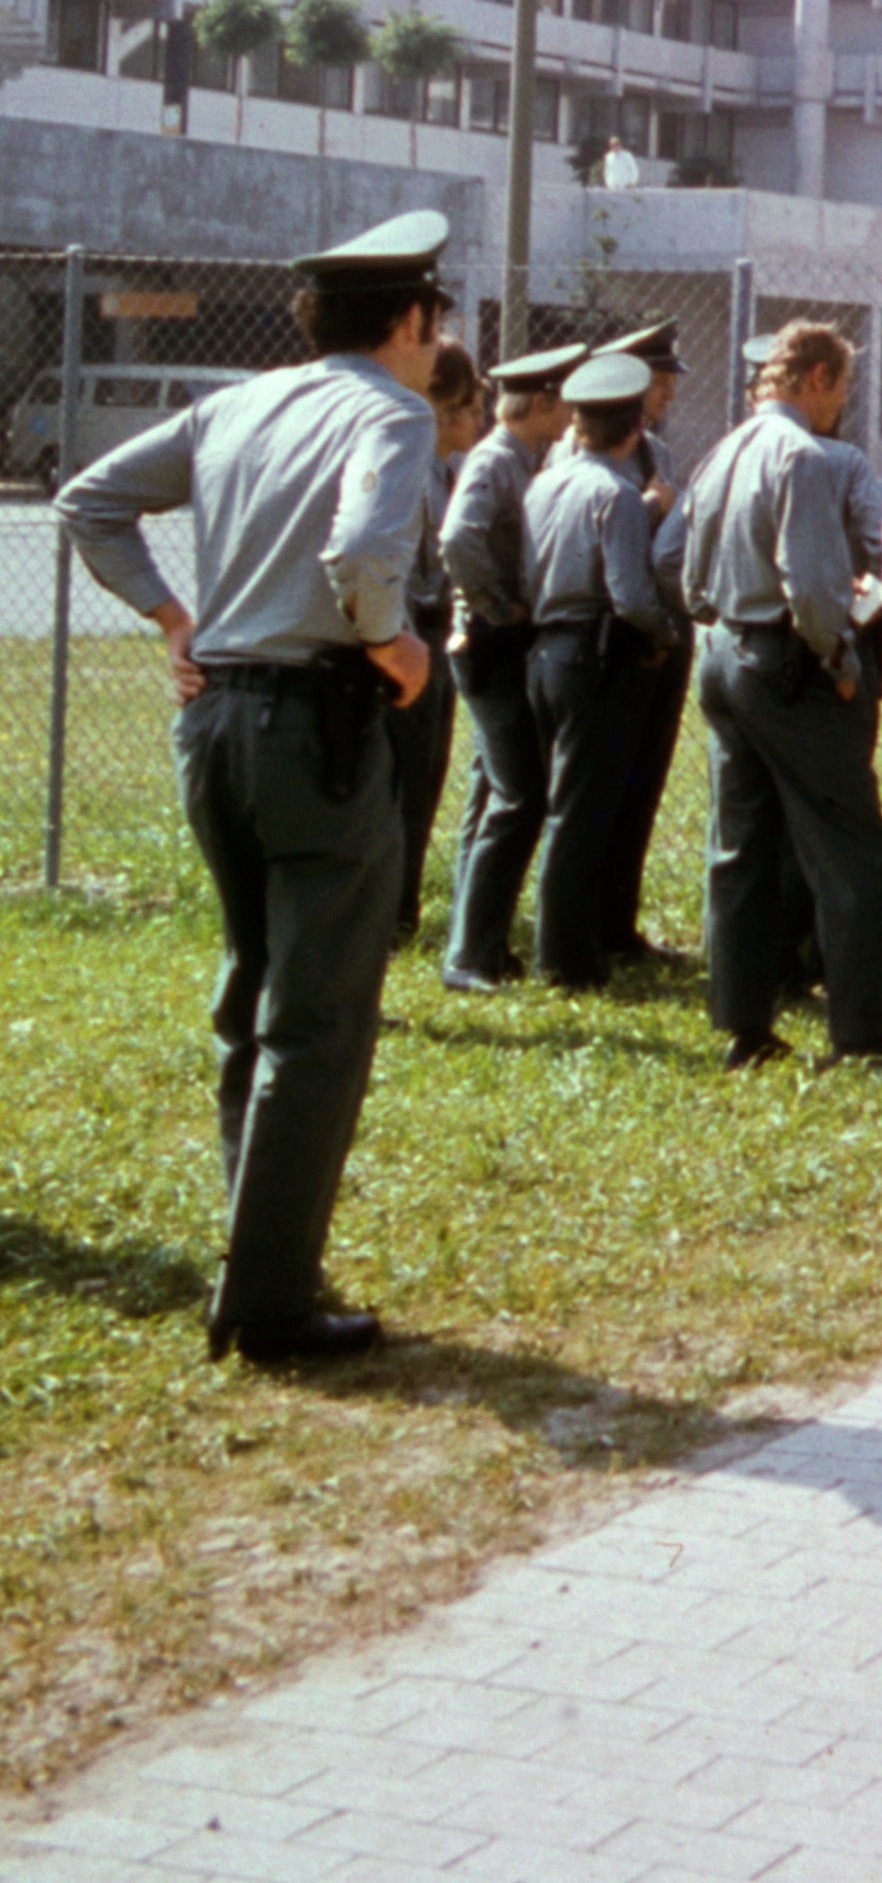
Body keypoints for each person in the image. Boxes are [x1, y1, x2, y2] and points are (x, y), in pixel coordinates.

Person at [57, 210, 447, 1362]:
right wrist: (400, 647)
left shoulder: (235, 404)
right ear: (411, 319)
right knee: (320, 1021)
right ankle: (271, 1300)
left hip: (217, 720)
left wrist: (177, 618)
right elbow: (363, 557)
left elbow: (89, 499)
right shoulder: (392, 411)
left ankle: (261, 1259)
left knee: (253, 1002)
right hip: (316, 725)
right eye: (434, 323)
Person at [680, 320, 882, 1074]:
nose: (843, 404)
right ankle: (860, 1032)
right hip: (784, 661)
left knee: (740, 846)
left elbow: (683, 570)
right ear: (816, 378)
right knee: (851, 847)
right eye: (845, 385)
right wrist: (838, 656)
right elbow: (816, 586)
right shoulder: (803, 457)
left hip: (723, 649)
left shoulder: (723, 451)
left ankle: (743, 1025)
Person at [522, 350, 677, 990]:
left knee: (566, 803)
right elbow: (632, 596)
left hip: (546, 649)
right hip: (593, 654)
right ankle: (563, 958)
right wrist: (665, 632)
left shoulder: (545, 482)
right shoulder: (615, 492)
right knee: (582, 812)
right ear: (636, 427)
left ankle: (566, 942)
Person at [439, 341, 582, 990]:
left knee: (491, 792)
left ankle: (479, 944)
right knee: (520, 796)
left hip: (503, 646)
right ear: (545, 402)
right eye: (566, 404)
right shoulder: (495, 462)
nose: (572, 418)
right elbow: (458, 537)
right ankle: (469, 957)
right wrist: (497, 605)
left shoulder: (522, 459)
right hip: (490, 648)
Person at [589, 317, 695, 967]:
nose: (668, 396)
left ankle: (619, 922)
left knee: (644, 781)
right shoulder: (595, 459)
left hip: (664, 629)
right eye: (658, 384)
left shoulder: (660, 454)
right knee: (603, 784)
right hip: (615, 633)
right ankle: (592, 922)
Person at [390, 339, 485, 943]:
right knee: (401, 781)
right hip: (407, 633)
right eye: (469, 405)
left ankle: (401, 907)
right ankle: (390, 912)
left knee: (425, 778)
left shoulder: (445, 467)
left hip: (434, 627)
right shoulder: (408, 463)